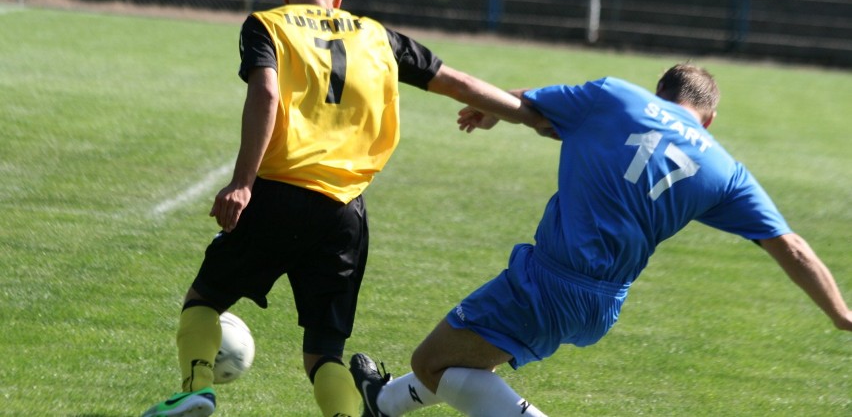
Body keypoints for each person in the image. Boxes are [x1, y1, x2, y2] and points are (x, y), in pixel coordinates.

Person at [141, 0, 545, 417]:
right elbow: (455, 82)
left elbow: (267, 93)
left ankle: (197, 389)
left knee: (204, 300)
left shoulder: (268, 23)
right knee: (323, 353)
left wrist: (242, 182)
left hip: (277, 194)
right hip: (345, 213)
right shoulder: (377, 36)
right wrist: (526, 113)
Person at [350, 63, 852, 417]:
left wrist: (494, 111)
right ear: (710, 119)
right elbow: (792, 246)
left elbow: (533, 106)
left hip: (547, 279)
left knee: (431, 362)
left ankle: (390, 402)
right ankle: (383, 403)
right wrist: (841, 316)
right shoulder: (725, 170)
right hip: (603, 305)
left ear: (658, 93)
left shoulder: (617, 97)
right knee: (463, 358)